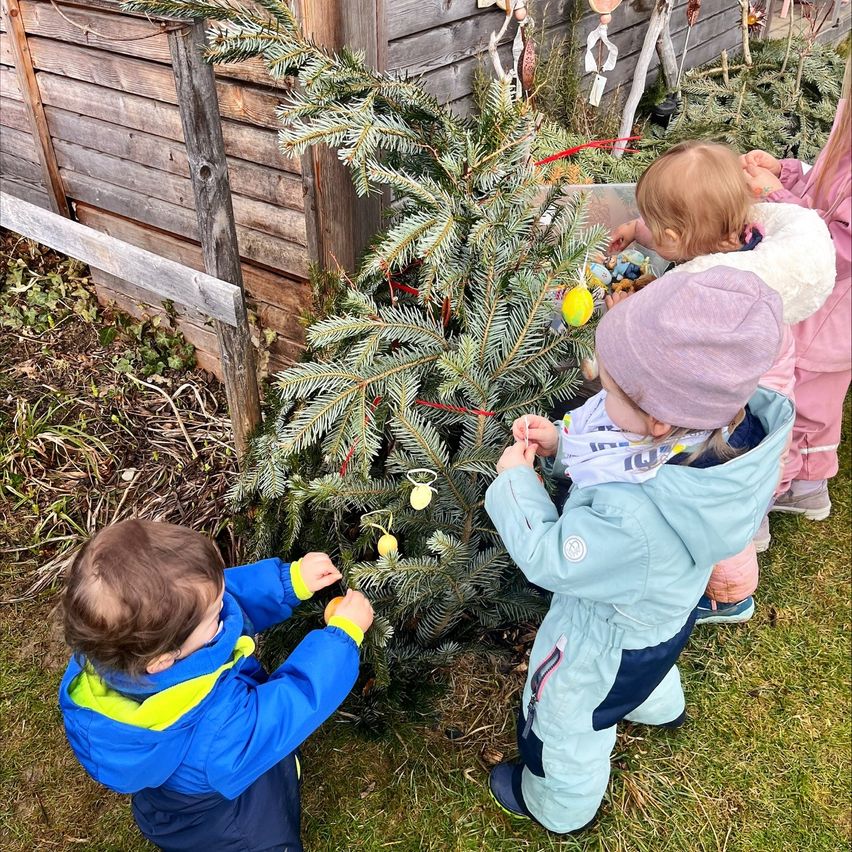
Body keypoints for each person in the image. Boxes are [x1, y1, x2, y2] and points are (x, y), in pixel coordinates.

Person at [484, 268, 792, 835]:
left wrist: (514, 485)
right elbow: (616, 439)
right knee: (649, 666)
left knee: (567, 721)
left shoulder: (634, 514)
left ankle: (558, 806)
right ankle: (657, 705)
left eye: (612, 389)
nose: (602, 394)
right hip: (665, 618)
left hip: (603, 643)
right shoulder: (715, 446)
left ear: (658, 418)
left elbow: (552, 557)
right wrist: (564, 443)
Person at [608, 140, 835, 624]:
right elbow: (685, 238)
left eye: (657, 229)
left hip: (732, 416)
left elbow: (676, 344)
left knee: (720, 507)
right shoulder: (748, 238)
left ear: (677, 236)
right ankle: (752, 531)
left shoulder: (715, 291)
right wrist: (636, 229)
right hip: (760, 408)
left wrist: (629, 316)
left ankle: (732, 596)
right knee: (743, 499)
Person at [59, 519, 373, 852]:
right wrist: (342, 637)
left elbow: (219, 596)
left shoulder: (123, 653)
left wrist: (288, 582)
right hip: (227, 822)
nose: (225, 611)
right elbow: (288, 707)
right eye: (215, 616)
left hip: (185, 788)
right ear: (164, 659)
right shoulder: (218, 729)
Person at [740, 55, 851, 527]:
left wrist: (773, 196)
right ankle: (807, 488)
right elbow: (820, 187)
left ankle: (766, 495)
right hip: (821, 303)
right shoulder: (847, 135)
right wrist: (784, 173)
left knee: (795, 401)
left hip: (829, 313)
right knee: (815, 400)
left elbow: (836, 245)